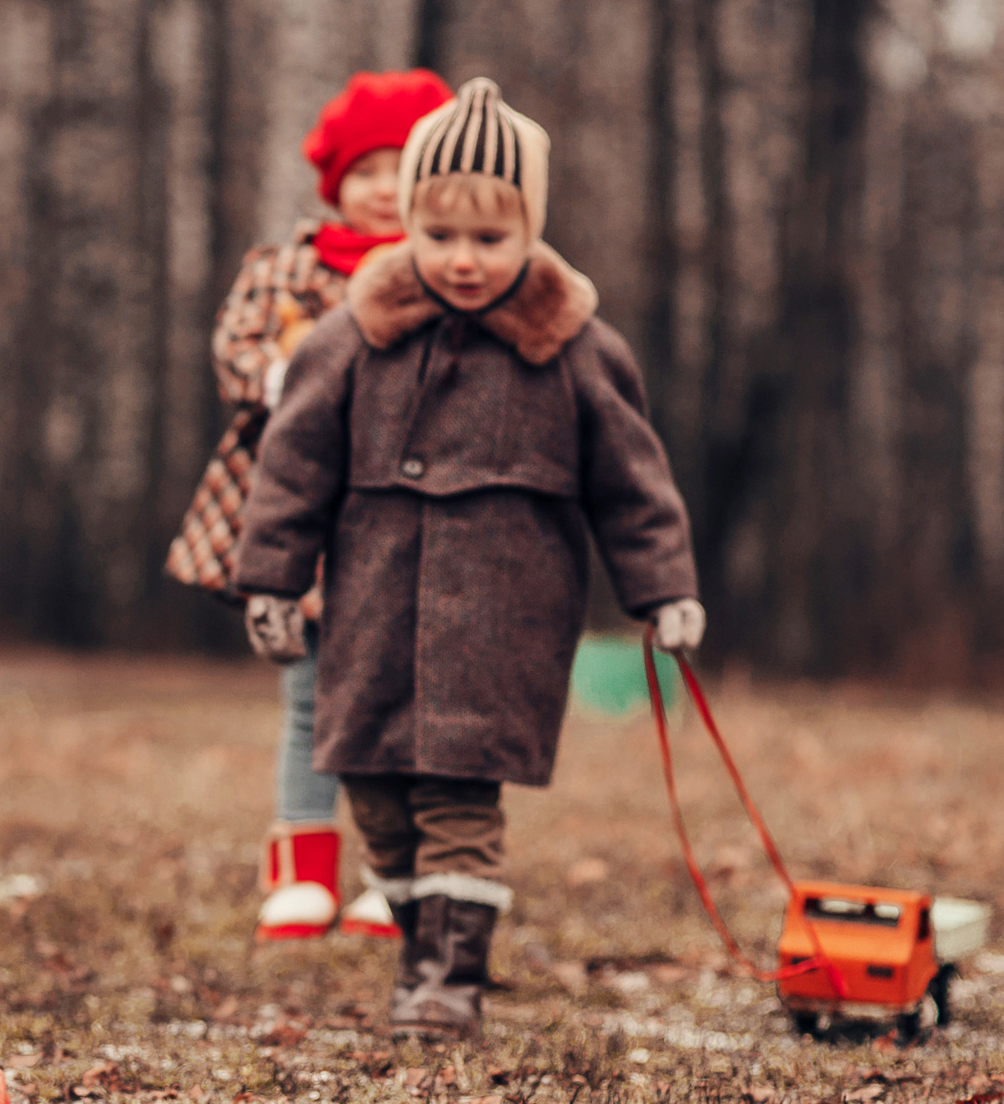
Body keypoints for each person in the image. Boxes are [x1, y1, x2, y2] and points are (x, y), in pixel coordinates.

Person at [232, 79, 704, 1039]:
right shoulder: (354, 335)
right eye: (439, 234)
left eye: (491, 239)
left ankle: (449, 979)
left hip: (503, 626)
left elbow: (633, 483)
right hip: (373, 616)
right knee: (378, 798)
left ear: (531, 228)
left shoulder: (573, 350)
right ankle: (419, 944)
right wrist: (274, 577)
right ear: (408, 222)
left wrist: (664, 590)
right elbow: (293, 466)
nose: (463, 259)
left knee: (458, 798)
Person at [165, 69, 452, 944]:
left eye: (405, 168)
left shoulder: (446, 271)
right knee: (309, 695)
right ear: (337, 180)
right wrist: (303, 381)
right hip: (303, 515)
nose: (384, 188)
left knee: (400, 701)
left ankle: (390, 878)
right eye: (367, 169)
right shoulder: (287, 265)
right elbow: (238, 353)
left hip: (406, 519)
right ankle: (302, 876)